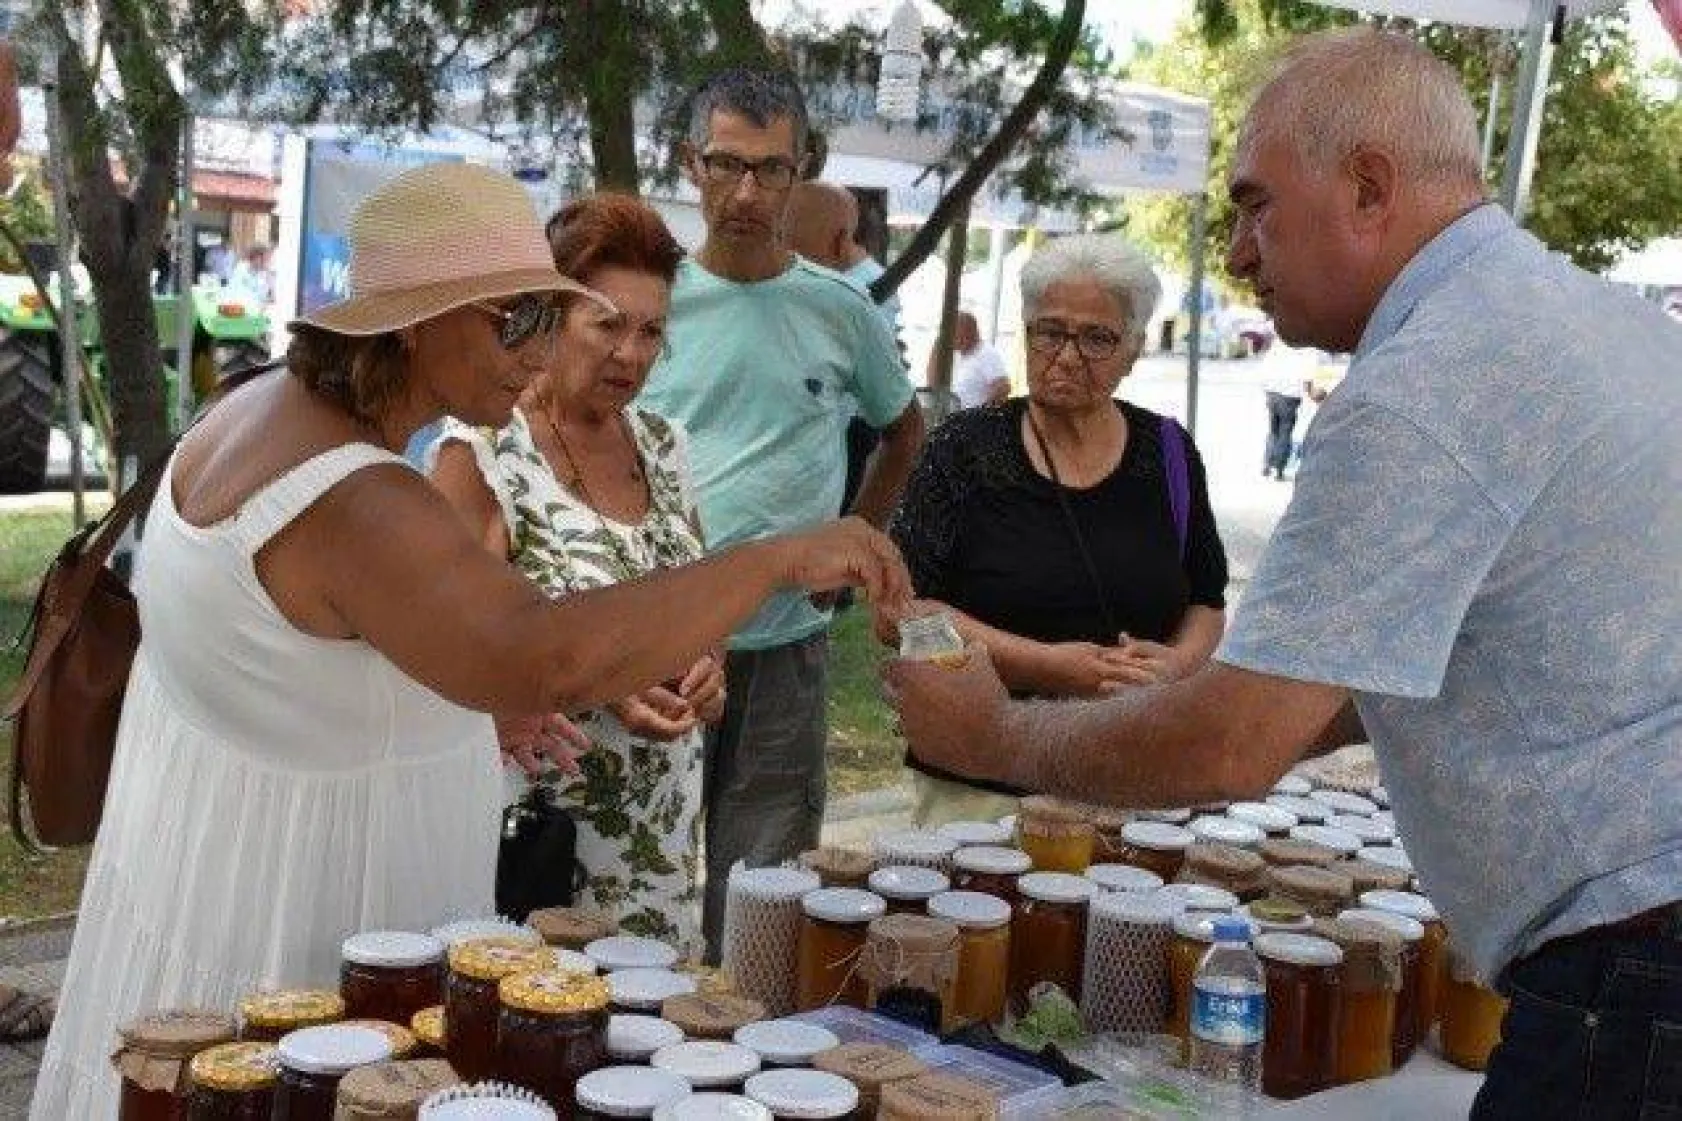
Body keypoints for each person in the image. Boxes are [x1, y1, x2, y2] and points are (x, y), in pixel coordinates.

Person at [888, 28, 1682, 1119]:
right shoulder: (1593, 319)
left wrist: (990, 736)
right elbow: (1393, 666)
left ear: (1365, 187)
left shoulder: (1424, 380)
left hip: (1632, 954)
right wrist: (1210, 694)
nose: (1238, 253)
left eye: (1256, 204)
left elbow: (1236, 741)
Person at [31, 161, 909, 1118]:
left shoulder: (250, 408)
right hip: (301, 948)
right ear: (413, 322)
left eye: (545, 314)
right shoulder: (358, 493)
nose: (540, 350)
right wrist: (775, 559)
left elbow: (305, 661)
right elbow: (545, 653)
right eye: (514, 319)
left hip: (204, 890)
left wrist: (449, 706)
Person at [639, 66, 925, 960]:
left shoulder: (840, 309)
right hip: (653, 639)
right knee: (635, 882)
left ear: (801, 169)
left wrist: (857, 547)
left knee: (759, 891)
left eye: (770, 168)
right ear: (691, 164)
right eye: (726, 164)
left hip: (783, 640)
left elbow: (903, 431)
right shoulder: (649, 306)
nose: (747, 192)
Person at [429, 194, 716, 954]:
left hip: (662, 848)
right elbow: (441, 654)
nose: (632, 353)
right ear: (551, 316)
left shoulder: (666, 446)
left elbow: (697, 610)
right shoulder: (485, 453)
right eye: (609, 325)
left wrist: (709, 669)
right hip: (538, 844)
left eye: (652, 331)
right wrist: (593, 677)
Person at [886, 234, 1227, 825]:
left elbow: (1205, 600)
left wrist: (1176, 666)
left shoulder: (1168, 451)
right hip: (981, 784)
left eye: (1097, 337)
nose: (1067, 355)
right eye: (1049, 331)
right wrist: (1051, 666)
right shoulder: (962, 449)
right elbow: (901, 615)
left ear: (1134, 349)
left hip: (1130, 778)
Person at [785, 179, 903, 336]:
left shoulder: (865, 293)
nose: (788, 259)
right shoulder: (838, 278)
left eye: (799, 248)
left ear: (840, 241)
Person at [1256, 337, 1318, 479]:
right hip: (1289, 396)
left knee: (1273, 430)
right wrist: (1313, 394)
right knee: (1285, 432)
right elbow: (1308, 377)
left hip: (1272, 392)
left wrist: (1267, 389)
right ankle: (1279, 469)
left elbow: (1266, 367)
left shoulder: (1280, 342)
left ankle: (1267, 464)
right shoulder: (1308, 349)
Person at [937, 310, 1012, 409]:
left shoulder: (986, 354)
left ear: (970, 332)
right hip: (955, 417)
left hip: (972, 420)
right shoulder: (958, 354)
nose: (952, 339)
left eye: (955, 334)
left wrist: (981, 413)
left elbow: (1003, 387)